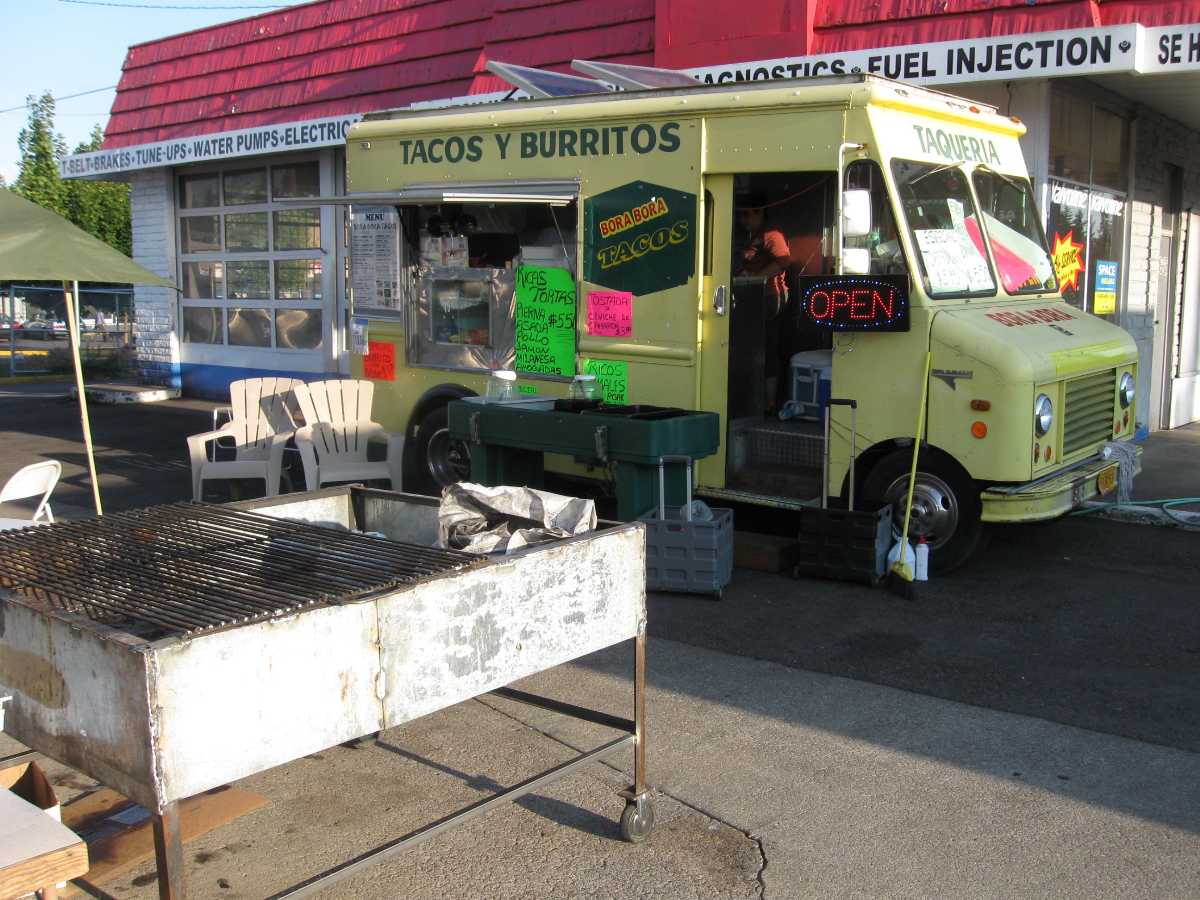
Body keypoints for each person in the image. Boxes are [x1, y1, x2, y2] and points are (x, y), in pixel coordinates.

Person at [735, 198, 792, 414]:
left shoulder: (772, 235)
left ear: (761, 214)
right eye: (743, 214)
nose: (746, 219)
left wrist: (756, 279)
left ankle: (767, 403)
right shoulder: (748, 238)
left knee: (765, 347)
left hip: (769, 298)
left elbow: (783, 261)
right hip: (749, 298)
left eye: (751, 213)